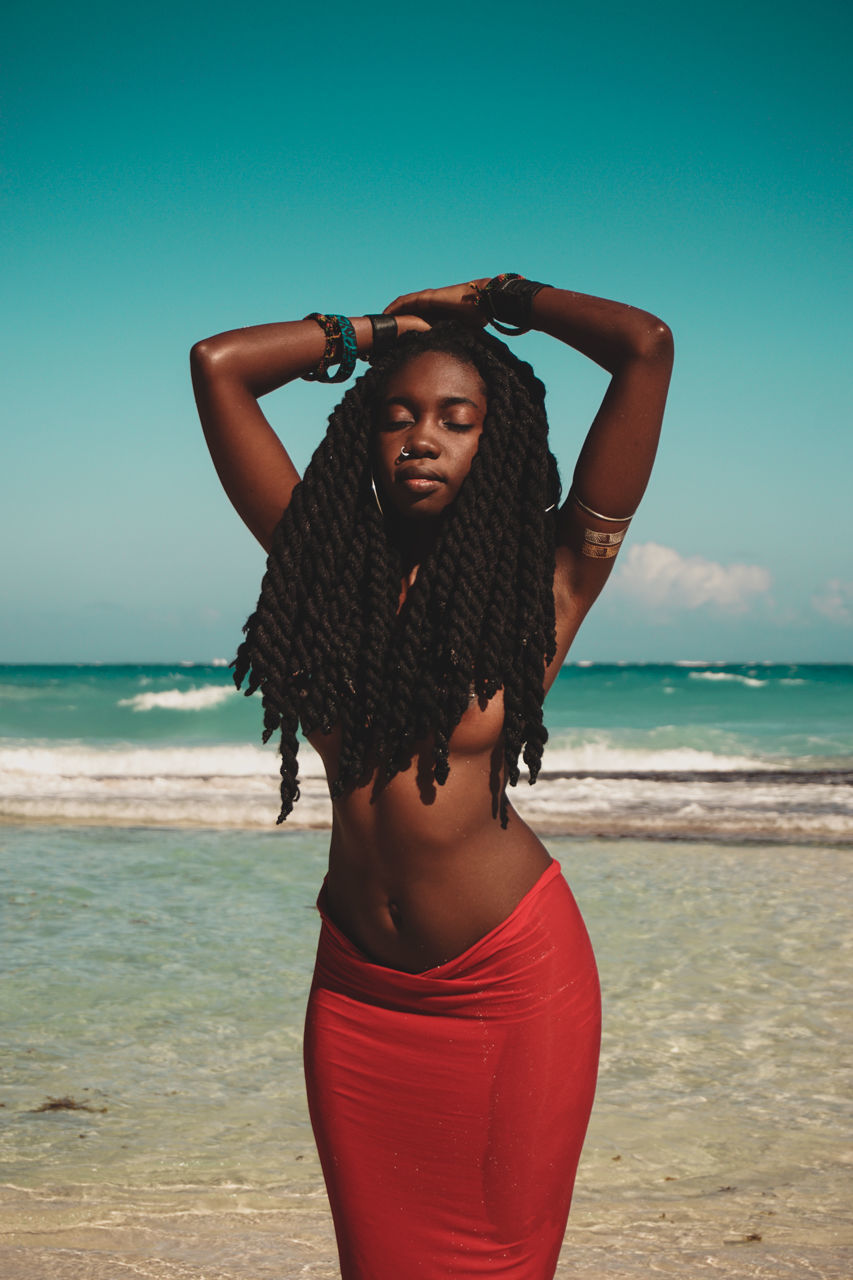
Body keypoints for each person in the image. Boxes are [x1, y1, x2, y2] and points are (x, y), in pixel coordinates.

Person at [190, 276, 673, 1280]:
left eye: (457, 419)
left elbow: (645, 348)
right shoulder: (316, 563)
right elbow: (218, 368)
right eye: (399, 416)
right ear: (362, 434)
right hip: (359, 994)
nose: (423, 436)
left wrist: (500, 297)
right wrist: (367, 335)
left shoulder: (546, 578)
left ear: (493, 440)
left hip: (510, 990)